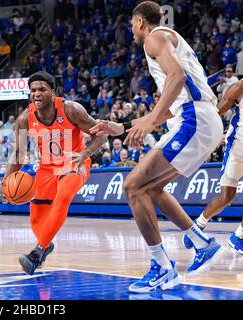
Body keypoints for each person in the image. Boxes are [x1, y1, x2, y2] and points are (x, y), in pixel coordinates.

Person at [91, 1, 224, 293]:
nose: (132, 31)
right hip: (196, 118)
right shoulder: (168, 40)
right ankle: (202, 243)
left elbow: (176, 78)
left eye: (131, 25)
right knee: (152, 189)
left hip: (195, 119)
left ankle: (163, 268)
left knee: (133, 187)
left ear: (140, 22)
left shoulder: (154, 37)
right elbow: (173, 102)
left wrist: (150, 122)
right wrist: (124, 127)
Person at [2, 71, 106, 275]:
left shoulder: (71, 109)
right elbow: (19, 153)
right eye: (33, 90)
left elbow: (101, 136)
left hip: (74, 162)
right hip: (47, 167)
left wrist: (84, 153)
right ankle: (45, 243)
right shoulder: (25, 118)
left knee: (63, 196)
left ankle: (37, 252)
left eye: (42, 89)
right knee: (36, 217)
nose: (37, 94)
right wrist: (6, 181)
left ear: (53, 92)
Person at [182, 80, 243, 254]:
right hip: (237, 149)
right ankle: (198, 225)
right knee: (226, 198)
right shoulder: (238, 87)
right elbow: (216, 114)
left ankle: (238, 236)